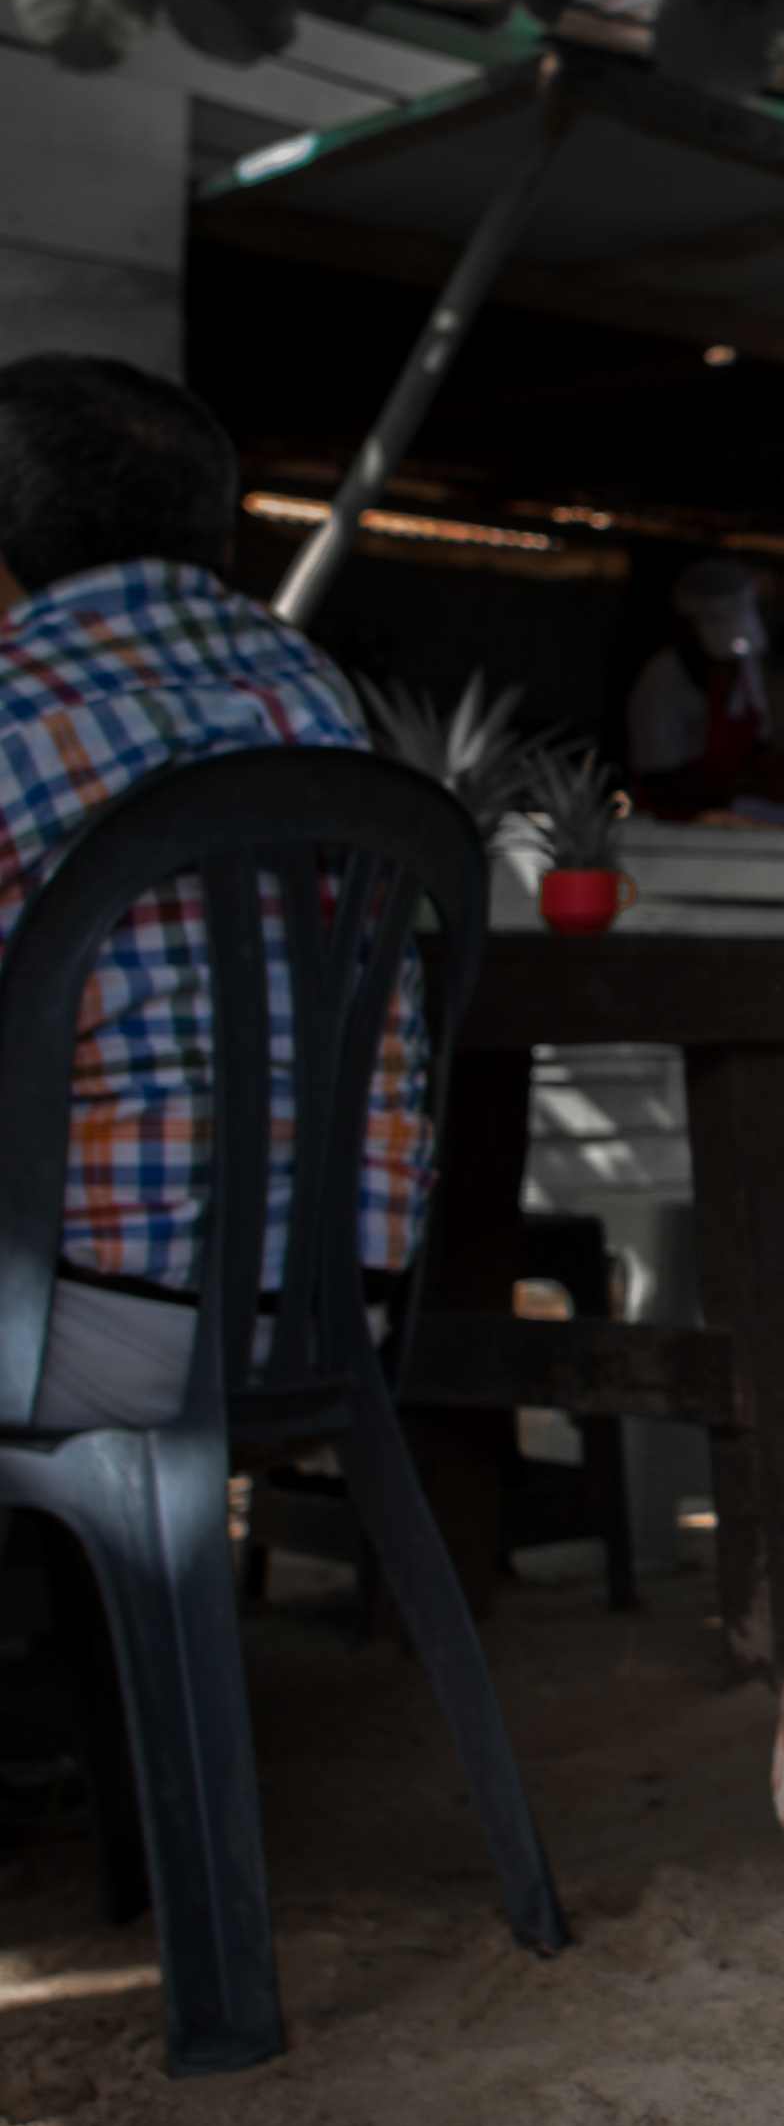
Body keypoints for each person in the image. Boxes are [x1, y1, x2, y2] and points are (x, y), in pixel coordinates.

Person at [0, 353, 424, 1432]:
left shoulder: (17, 706)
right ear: (220, 538)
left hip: (63, 1330)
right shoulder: (308, 693)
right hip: (323, 1323)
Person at [623, 555, 770, 818]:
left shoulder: (746, 666)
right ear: (688, 627)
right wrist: (747, 789)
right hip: (670, 828)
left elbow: (761, 747)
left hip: (732, 820)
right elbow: (659, 784)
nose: (728, 665)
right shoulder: (663, 679)